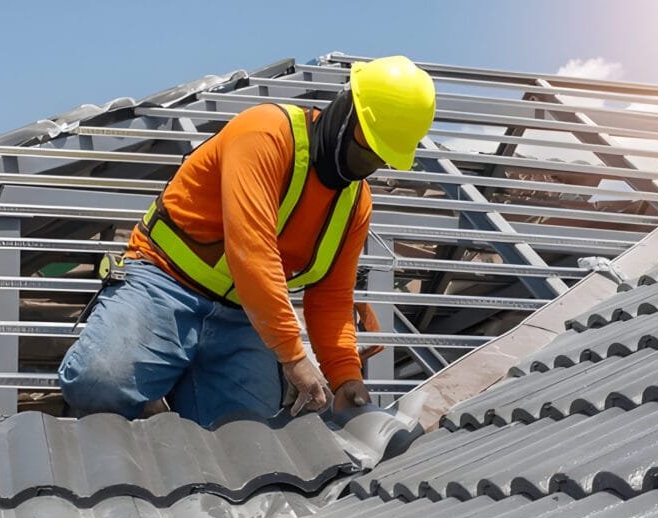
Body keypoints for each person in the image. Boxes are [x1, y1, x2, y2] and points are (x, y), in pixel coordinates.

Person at [58, 56, 436, 428]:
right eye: (366, 148)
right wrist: (292, 355)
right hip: (163, 285)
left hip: (243, 317)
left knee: (245, 438)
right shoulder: (266, 133)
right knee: (99, 383)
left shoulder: (355, 203)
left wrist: (345, 376)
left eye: (381, 158)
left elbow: (332, 295)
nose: (368, 166)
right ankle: (150, 405)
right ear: (345, 113)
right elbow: (250, 249)